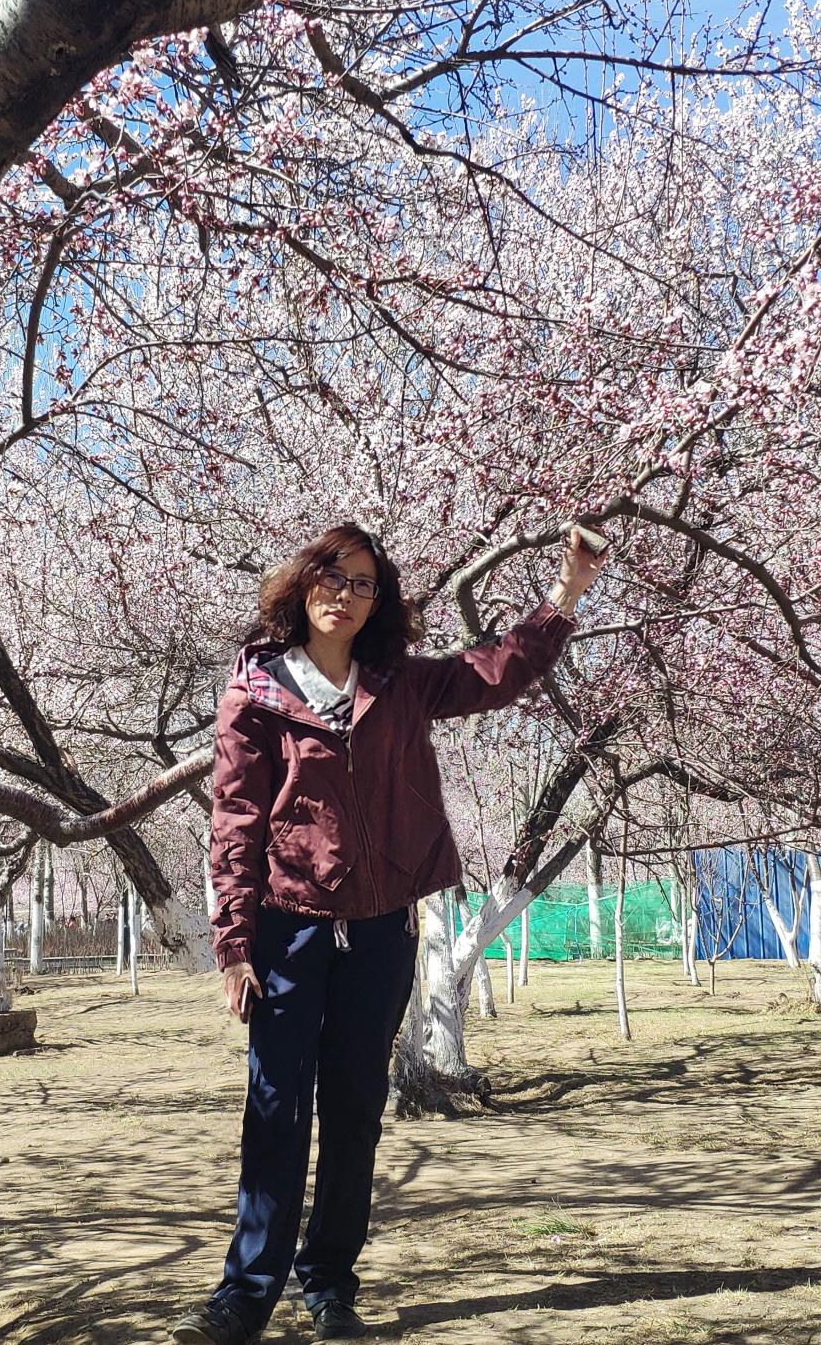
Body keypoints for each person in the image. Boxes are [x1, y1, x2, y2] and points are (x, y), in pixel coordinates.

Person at [172, 522, 606, 1344]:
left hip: (380, 933)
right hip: (289, 933)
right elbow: (234, 823)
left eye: (364, 582)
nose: (345, 594)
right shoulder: (256, 693)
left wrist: (567, 592)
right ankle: (244, 1297)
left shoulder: (399, 681)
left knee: (356, 1109)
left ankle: (331, 1285)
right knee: (276, 1109)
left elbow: (496, 671)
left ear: (380, 600)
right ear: (304, 583)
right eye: (332, 576)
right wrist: (233, 944)